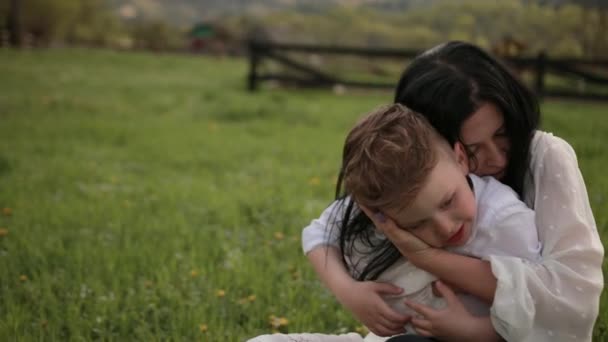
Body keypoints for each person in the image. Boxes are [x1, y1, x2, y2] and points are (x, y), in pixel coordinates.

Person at [302, 41, 603, 341]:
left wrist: (426, 258)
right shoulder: (414, 175)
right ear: (443, 144)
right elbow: (323, 230)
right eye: (474, 150)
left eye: (502, 134)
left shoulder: (542, 162)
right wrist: (349, 291)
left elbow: (572, 302)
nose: (498, 159)